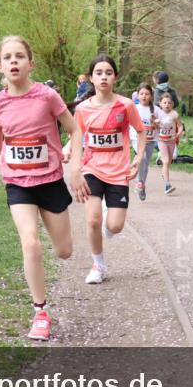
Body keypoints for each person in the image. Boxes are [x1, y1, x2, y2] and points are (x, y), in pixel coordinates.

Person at [0, 36, 78, 341]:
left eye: (19, 56)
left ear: (31, 63)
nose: (14, 62)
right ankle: (40, 312)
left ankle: (44, 299)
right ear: (0, 65)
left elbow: (74, 129)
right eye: (8, 57)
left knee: (64, 251)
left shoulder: (47, 97)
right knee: (30, 242)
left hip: (51, 181)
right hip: (18, 184)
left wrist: (76, 164)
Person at [70, 54, 147, 285]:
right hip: (91, 168)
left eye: (108, 73)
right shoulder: (83, 109)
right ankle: (98, 265)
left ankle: (108, 216)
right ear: (91, 78)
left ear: (115, 77)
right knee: (92, 221)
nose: (104, 77)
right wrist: (74, 166)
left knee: (114, 226)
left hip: (118, 171)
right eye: (99, 73)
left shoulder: (125, 105)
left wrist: (139, 157)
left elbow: (140, 131)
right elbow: (76, 136)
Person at [132, 83, 162, 201]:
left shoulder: (156, 110)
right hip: (137, 139)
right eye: (142, 94)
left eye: (147, 94)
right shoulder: (134, 108)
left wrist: (155, 122)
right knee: (142, 158)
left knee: (145, 165)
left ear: (151, 96)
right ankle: (139, 182)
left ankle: (142, 184)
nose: (144, 96)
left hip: (150, 140)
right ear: (137, 95)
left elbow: (161, 126)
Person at [156, 92, 183, 195]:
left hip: (171, 141)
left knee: (169, 162)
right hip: (162, 140)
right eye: (164, 102)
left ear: (172, 104)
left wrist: (178, 133)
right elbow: (153, 125)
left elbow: (180, 126)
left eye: (169, 102)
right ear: (160, 104)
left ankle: (164, 171)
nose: (167, 104)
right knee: (166, 161)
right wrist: (155, 123)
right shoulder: (158, 113)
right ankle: (167, 185)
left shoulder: (174, 114)